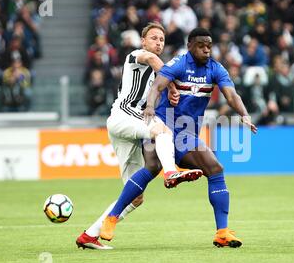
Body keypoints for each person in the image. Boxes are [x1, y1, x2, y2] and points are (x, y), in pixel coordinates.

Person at [99, 27, 257, 248]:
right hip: (161, 124)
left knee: (215, 169)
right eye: (201, 46)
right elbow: (157, 85)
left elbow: (231, 94)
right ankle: (111, 218)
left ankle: (222, 232)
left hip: (187, 134)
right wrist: (151, 107)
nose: (206, 50)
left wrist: (244, 115)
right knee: (152, 168)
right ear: (190, 46)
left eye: (209, 46)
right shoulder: (178, 64)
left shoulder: (216, 69)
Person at [76, 22, 203, 250]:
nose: (158, 43)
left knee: (135, 196)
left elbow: (157, 98)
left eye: (162, 40)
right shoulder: (136, 56)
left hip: (130, 129)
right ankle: (171, 171)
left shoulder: (158, 78)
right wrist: (173, 86)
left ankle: (89, 235)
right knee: (161, 130)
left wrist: (171, 96)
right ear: (143, 41)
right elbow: (154, 61)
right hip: (123, 117)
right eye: (154, 38)